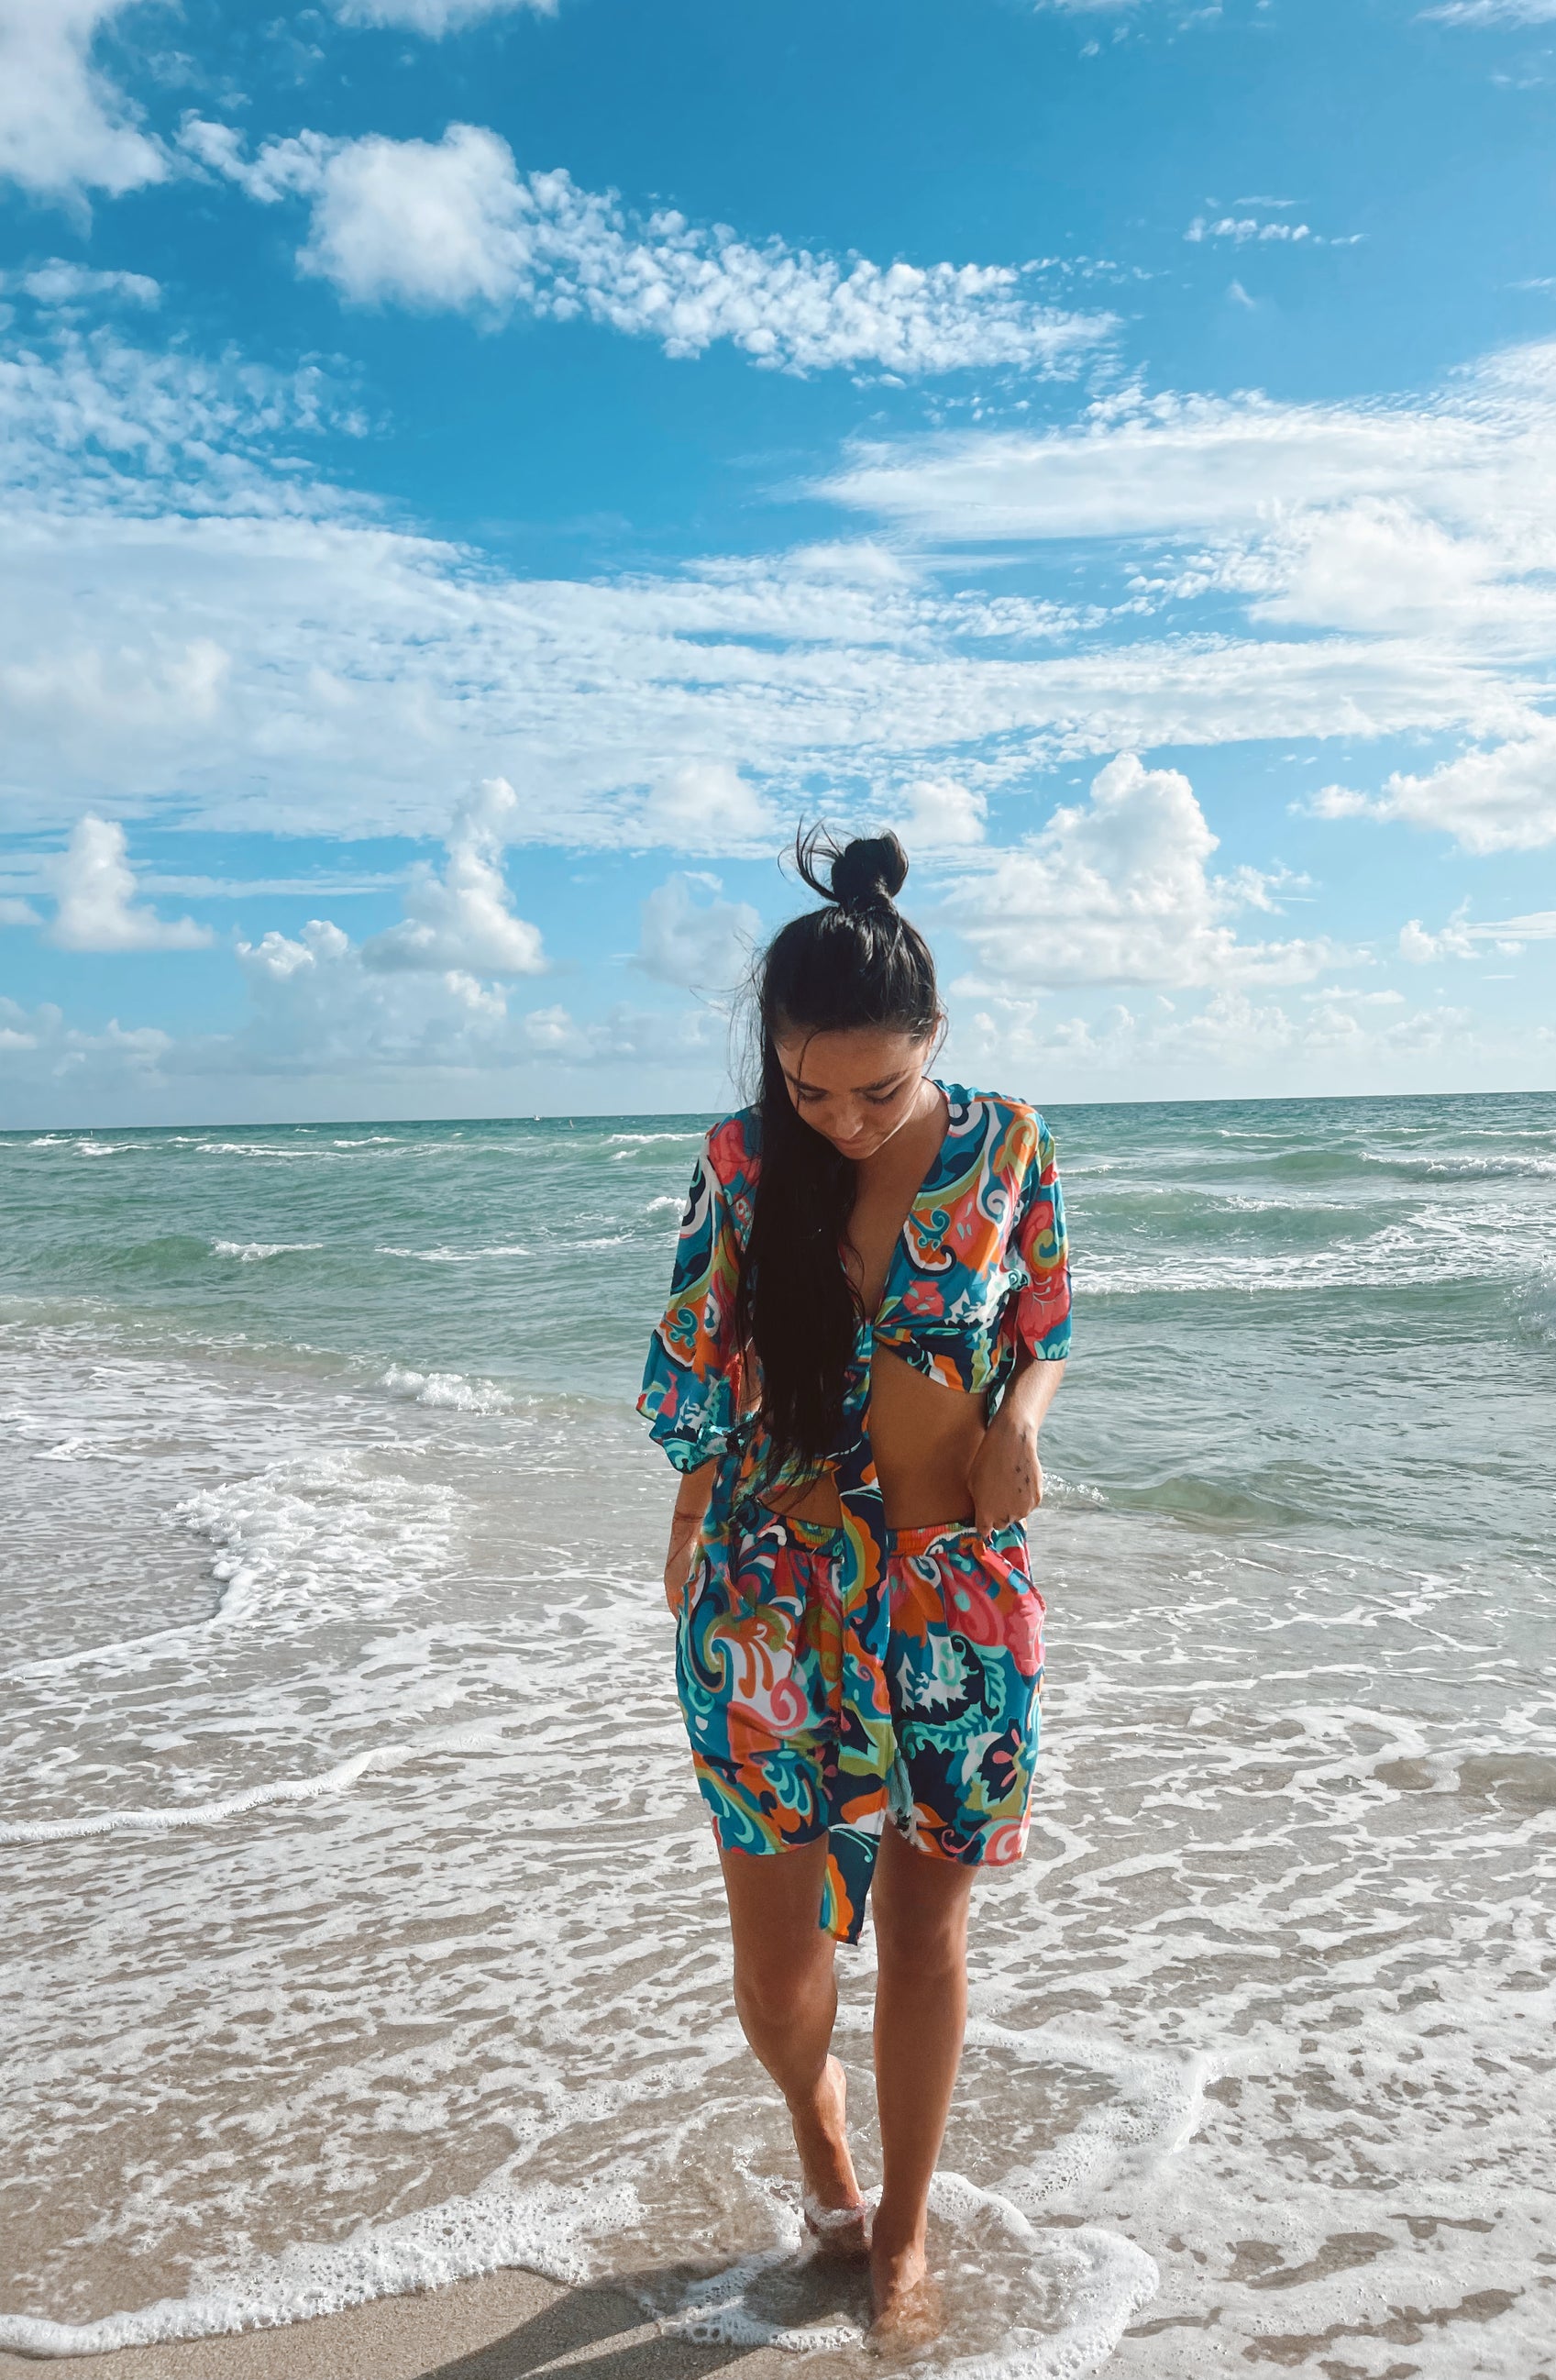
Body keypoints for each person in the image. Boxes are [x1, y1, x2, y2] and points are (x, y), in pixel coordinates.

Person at [637, 825, 1071, 2343]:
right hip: (773, 1591)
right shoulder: (747, 1162)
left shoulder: (1007, 1142)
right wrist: (693, 1499)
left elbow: (1047, 1319)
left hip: (953, 1590)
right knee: (778, 1970)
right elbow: (696, 1351)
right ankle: (819, 2151)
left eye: (875, 1088)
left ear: (932, 1040)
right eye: (807, 1084)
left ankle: (901, 2232)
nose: (839, 1116)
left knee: (928, 1931)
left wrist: (1018, 1422)